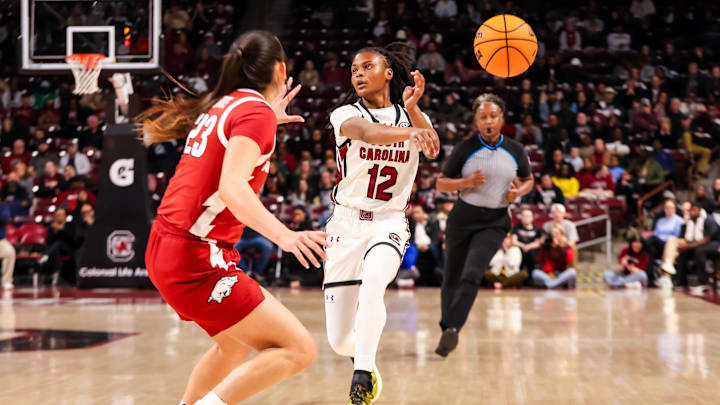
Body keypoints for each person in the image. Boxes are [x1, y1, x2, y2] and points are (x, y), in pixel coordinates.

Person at [137, 31, 329, 405]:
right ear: (281, 69)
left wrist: (265, 118)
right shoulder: (253, 113)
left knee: (235, 344)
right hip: (194, 255)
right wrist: (284, 235)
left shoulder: (228, 105)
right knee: (298, 349)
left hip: (167, 244)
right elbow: (232, 187)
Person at [325, 41, 439, 404]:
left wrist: (413, 110)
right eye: (354, 69)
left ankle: (361, 376)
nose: (358, 73)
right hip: (344, 226)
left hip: (388, 222)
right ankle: (365, 363)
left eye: (367, 67)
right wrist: (409, 132)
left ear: (388, 73)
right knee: (340, 340)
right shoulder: (344, 114)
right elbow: (369, 134)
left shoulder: (412, 116)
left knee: (375, 284)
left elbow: (432, 145)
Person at [434, 93, 533, 357]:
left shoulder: (515, 150)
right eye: (482, 117)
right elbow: (441, 183)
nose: (488, 121)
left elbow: (529, 179)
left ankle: (453, 328)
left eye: (493, 116)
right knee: (451, 277)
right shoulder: (465, 149)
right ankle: (447, 326)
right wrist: (465, 183)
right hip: (462, 218)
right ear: (476, 121)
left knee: (472, 273)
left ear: (502, 118)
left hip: (495, 221)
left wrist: (518, 192)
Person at [511, 209, 546, 273]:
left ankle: (531, 275)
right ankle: (518, 274)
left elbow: (541, 242)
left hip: (532, 253)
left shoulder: (538, 229)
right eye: (524, 215)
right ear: (521, 217)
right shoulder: (517, 227)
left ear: (532, 217)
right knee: (516, 252)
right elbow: (514, 241)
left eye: (528, 216)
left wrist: (529, 246)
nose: (526, 218)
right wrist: (524, 246)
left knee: (531, 252)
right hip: (520, 250)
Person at [0, 202, 15, 290]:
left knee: (9, 252)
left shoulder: (3, 207)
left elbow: (5, 220)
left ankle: (6, 280)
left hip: (0, 241)